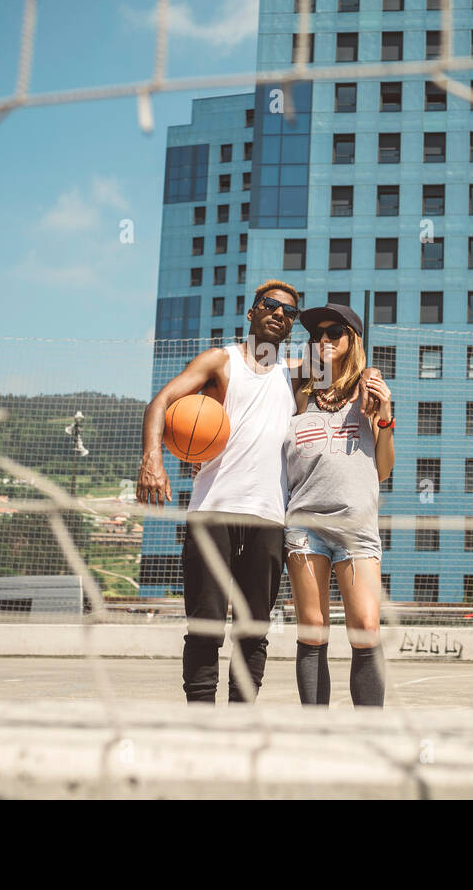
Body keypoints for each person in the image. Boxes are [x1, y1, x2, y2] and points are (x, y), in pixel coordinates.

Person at [137, 281, 381, 704]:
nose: (279, 314)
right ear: (251, 312)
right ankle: (200, 717)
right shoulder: (221, 360)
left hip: (270, 516)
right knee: (206, 624)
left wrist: (374, 375)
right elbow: (161, 401)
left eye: (288, 313)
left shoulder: (294, 373)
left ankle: (241, 716)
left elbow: (352, 367)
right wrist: (152, 459)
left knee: (254, 629)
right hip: (214, 509)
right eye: (270, 306)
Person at [283, 303, 394, 707]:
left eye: (334, 333)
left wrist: (385, 416)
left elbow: (382, 470)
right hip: (305, 522)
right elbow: (262, 366)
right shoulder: (299, 391)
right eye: (317, 335)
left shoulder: (368, 393)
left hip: (355, 525)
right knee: (312, 628)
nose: (324, 340)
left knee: (365, 627)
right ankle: (316, 734)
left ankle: (368, 736)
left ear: (353, 340)